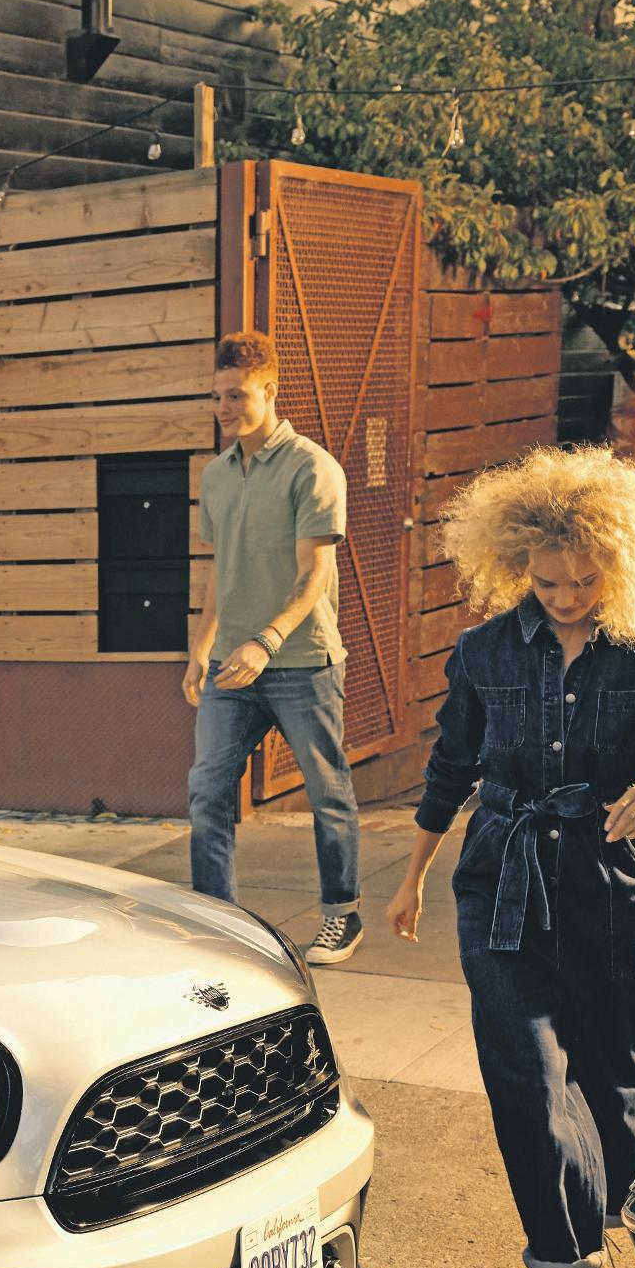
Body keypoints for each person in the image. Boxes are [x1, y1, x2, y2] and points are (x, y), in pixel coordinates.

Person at [385, 444, 635, 1268]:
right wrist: (413, 874)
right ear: (514, 564)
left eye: (584, 580)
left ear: (619, 563)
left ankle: (596, 1226)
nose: (566, 597)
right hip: (501, 881)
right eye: (547, 581)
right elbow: (451, 767)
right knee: (529, 1079)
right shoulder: (484, 650)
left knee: (614, 1079)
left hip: (610, 889)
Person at [185, 333, 363, 964]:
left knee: (326, 792)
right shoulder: (215, 475)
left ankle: (342, 914)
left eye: (236, 395)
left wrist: (267, 640)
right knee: (207, 790)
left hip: (302, 662)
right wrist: (201, 646)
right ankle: (217, 918)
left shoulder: (312, 468)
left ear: (269, 391)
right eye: (216, 397)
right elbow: (221, 569)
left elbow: (314, 572)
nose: (223, 408)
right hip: (231, 666)